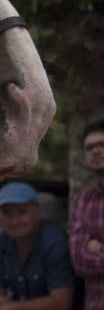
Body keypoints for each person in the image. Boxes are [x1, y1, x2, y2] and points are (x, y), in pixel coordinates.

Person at [0, 181, 74, 309]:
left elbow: (61, 303)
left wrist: (13, 308)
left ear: (38, 212)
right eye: (7, 213)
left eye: (22, 212)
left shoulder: (55, 243)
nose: (15, 221)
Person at [70, 120, 104, 310]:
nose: (95, 151)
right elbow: (78, 261)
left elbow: (87, 255)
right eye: (89, 147)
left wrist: (95, 246)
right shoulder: (84, 201)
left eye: (102, 145)